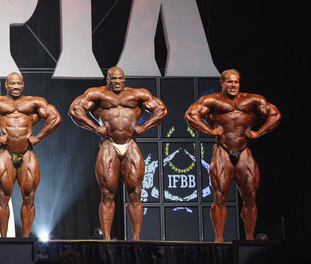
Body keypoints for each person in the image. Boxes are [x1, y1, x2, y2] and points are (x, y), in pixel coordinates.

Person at [69, 67, 167, 241]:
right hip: (109, 144)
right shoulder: (97, 94)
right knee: (107, 193)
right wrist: (95, 127)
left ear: (124, 79)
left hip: (130, 144)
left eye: (120, 78)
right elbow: (75, 110)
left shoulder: (138, 94)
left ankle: (136, 238)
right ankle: (106, 239)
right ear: (107, 79)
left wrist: (144, 126)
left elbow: (161, 110)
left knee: (135, 193)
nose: (117, 82)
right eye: (113, 79)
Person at [185, 69, 280, 242]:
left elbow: (275, 115)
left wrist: (259, 132)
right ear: (222, 83)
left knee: (250, 196)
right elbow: (191, 115)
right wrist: (210, 131)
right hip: (222, 150)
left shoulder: (252, 100)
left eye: (236, 82)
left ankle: (249, 239)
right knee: (220, 196)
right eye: (229, 81)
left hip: (244, 151)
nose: (233, 85)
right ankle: (219, 239)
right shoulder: (212, 100)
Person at [0, 73, 62, 237]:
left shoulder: (34, 102)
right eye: (12, 83)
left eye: (19, 83)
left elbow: (55, 118)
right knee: (3, 197)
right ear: (6, 85)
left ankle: (25, 240)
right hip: (5, 152)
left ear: (23, 84)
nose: (15, 87)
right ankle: (3, 240)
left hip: (27, 153)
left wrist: (39, 136)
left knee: (29, 197)